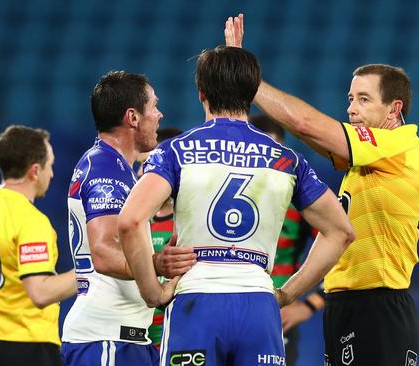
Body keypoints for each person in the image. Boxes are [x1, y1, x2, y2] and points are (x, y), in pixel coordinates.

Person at [118, 46, 354, 366]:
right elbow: (341, 232)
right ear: (251, 94)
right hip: (258, 304)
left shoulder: (176, 151)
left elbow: (130, 222)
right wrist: (287, 294)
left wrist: (153, 293)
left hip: (196, 302)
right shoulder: (288, 160)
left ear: (201, 93)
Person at [226, 14, 419, 366]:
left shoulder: (400, 146)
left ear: (394, 108)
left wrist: (247, 81)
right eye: (350, 98)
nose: (351, 108)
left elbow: (306, 124)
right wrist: (285, 295)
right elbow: (332, 234)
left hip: (378, 306)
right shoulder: (366, 166)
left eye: (364, 99)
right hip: (345, 305)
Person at [61, 72, 196, 365]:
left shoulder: (112, 166)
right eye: (154, 106)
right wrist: (156, 264)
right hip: (107, 339)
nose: (159, 115)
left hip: (123, 337)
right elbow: (105, 255)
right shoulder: (105, 168)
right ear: (133, 117)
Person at [0, 125, 77, 366]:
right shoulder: (30, 221)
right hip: (31, 351)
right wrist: (92, 272)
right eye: (50, 165)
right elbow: (40, 291)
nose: (52, 174)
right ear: (35, 171)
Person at [250, 114, 313, 366]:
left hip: (277, 313)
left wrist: (307, 305)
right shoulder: (217, 189)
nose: (268, 159)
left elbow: (344, 246)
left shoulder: (300, 198)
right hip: (224, 308)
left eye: (274, 150)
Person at [138, 127, 184, 350]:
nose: (140, 174)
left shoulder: (191, 223)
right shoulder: (133, 221)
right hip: (137, 341)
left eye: (149, 166)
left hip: (179, 341)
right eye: (140, 165)